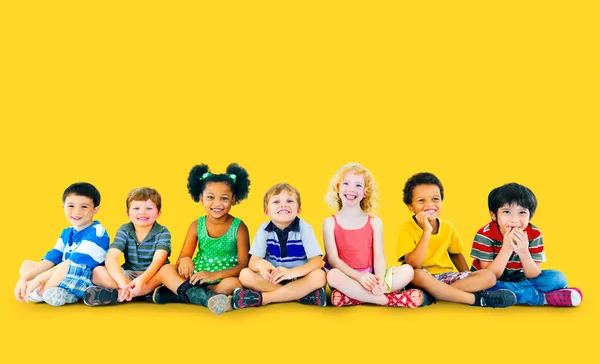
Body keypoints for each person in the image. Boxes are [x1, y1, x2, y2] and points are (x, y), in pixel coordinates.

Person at [397, 172, 516, 308]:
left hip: (445, 277)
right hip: (422, 278)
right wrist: (427, 231)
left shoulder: (448, 227)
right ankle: (475, 299)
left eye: (435, 199)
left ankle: (436, 294)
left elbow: (456, 254)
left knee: (489, 276)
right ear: (410, 207)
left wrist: (469, 276)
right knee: (416, 274)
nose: (430, 204)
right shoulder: (407, 229)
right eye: (421, 200)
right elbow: (413, 264)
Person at [151, 163, 251, 315]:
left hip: (223, 278)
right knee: (167, 269)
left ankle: (182, 294)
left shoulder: (239, 227)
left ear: (233, 199)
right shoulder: (196, 225)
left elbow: (244, 264)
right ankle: (205, 299)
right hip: (196, 277)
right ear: (201, 198)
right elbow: (182, 258)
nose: (217, 203)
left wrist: (215, 275)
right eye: (210, 197)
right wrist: (185, 260)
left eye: (224, 198)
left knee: (234, 284)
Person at [323, 163, 422, 308]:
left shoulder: (375, 222)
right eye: (346, 183)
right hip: (347, 277)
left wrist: (380, 280)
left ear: (365, 192)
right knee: (332, 275)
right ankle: (388, 300)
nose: (351, 189)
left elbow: (379, 256)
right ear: (337, 188)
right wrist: (358, 276)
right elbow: (333, 259)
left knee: (408, 271)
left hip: (371, 278)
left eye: (358, 185)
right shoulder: (329, 222)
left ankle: (355, 298)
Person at [470, 182, 582, 306]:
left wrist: (524, 252)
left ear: (531, 215)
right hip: (490, 281)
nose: (514, 220)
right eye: (506, 212)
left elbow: (534, 274)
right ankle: (542, 298)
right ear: (494, 215)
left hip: (520, 278)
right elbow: (489, 275)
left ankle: (512, 294)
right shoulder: (485, 234)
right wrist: (506, 249)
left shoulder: (534, 234)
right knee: (483, 287)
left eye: (522, 213)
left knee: (558, 278)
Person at [14, 182, 110, 306]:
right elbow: (52, 259)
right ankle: (59, 291)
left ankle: (40, 293)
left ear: (95, 209)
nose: (76, 212)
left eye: (84, 207)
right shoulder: (67, 232)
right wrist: (24, 278)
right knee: (27, 264)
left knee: (64, 267)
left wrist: (37, 279)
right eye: (71, 206)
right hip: (61, 274)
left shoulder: (97, 231)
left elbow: (72, 263)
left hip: (84, 279)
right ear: (63, 206)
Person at [233, 183, 327, 309]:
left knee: (320, 276)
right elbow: (253, 262)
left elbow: (317, 262)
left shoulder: (305, 228)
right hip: (273, 279)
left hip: (299, 277)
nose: (283, 204)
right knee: (245, 274)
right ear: (266, 211)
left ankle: (265, 299)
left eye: (289, 200)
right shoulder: (263, 230)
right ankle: (302, 296)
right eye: (276, 201)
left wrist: (291, 273)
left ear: (298, 210)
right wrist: (261, 265)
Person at [83, 187, 171, 306]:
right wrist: (123, 282)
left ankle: (121, 294)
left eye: (149, 208)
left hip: (153, 275)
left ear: (158, 213)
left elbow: (158, 261)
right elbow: (112, 256)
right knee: (97, 272)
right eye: (136, 208)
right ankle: (133, 292)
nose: (142, 212)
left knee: (169, 271)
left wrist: (142, 280)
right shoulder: (125, 230)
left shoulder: (162, 232)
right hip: (130, 274)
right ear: (128, 213)